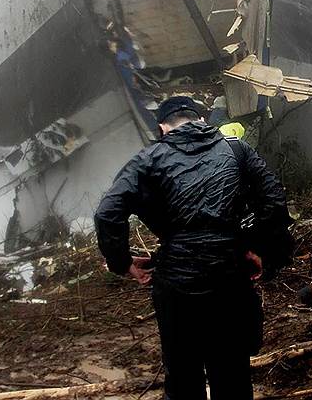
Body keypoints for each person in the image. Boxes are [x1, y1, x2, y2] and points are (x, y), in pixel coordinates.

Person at [94, 96, 293, 400]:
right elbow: (275, 200)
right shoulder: (234, 148)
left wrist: (122, 262)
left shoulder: (148, 159)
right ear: (202, 119)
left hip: (176, 281)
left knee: (183, 372)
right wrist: (257, 247)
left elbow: (107, 213)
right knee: (231, 371)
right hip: (229, 273)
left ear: (162, 127)